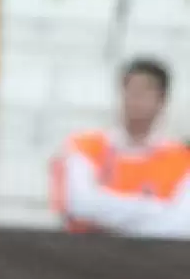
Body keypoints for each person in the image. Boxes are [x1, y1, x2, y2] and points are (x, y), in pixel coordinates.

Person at [51, 58, 190, 238]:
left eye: (145, 92)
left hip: (153, 255)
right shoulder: (85, 146)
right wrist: (154, 209)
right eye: (131, 91)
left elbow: (181, 224)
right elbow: (78, 204)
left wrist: (103, 208)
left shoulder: (182, 160)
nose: (136, 100)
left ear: (162, 100)